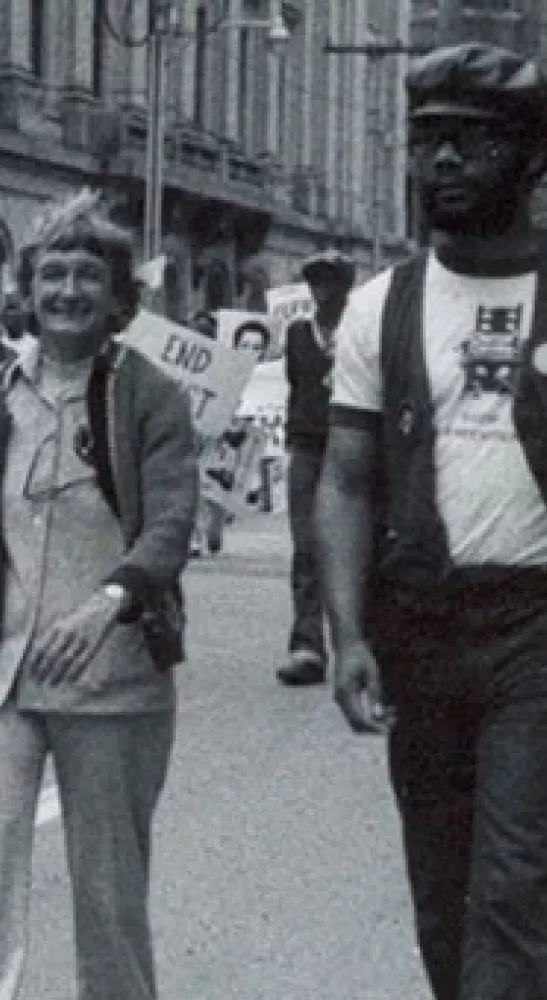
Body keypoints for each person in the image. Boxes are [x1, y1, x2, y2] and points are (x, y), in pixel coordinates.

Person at [0, 189, 196, 1000]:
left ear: (117, 298)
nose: (68, 291)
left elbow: (173, 522)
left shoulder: (150, 394)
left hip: (115, 685)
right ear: (27, 291)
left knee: (109, 901)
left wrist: (113, 598)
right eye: (52, 275)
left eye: (87, 276)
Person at [319, 43, 547, 1000]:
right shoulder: (381, 306)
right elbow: (345, 478)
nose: (442, 162)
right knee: (442, 890)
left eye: (470, 142)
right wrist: (345, 634)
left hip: (534, 632)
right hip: (421, 629)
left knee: (513, 884)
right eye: (426, 143)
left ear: (530, 158)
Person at [276, 249, 356, 687]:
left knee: (359, 544)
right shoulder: (297, 335)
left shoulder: (361, 332)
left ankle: (359, 642)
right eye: (316, 282)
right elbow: (296, 383)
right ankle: (306, 644)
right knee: (305, 546)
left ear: (346, 287)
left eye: (331, 281)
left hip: (352, 446)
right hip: (307, 446)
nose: (322, 290)